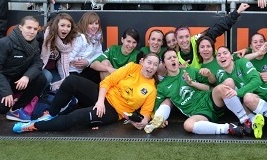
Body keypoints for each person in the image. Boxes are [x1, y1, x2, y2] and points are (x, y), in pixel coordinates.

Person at [13, 53, 159, 133]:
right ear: (142, 62)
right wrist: (100, 101)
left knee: (75, 118)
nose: (151, 67)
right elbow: (107, 82)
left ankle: (34, 127)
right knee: (72, 80)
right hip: (102, 97)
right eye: (149, 62)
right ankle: (50, 114)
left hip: (113, 112)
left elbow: (145, 116)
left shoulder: (151, 89)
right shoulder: (132, 67)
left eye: (155, 64)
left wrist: (140, 123)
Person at [145, 49, 255, 137]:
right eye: (169, 58)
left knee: (223, 87)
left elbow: (211, 82)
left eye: (174, 57)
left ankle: (245, 120)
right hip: (198, 113)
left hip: (209, 100)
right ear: (164, 64)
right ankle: (228, 129)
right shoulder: (162, 86)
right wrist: (159, 119)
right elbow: (158, 106)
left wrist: (208, 74)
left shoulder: (189, 70)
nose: (173, 59)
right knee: (188, 125)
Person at [0, 16, 47, 124]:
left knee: (41, 78)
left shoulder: (35, 44)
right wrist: (6, 91)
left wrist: (27, 76)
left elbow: (38, 63)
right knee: (1, 106)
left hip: (14, 80)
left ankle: (15, 110)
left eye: (35, 29)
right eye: (29, 28)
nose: (32, 32)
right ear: (20, 27)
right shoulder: (3, 44)